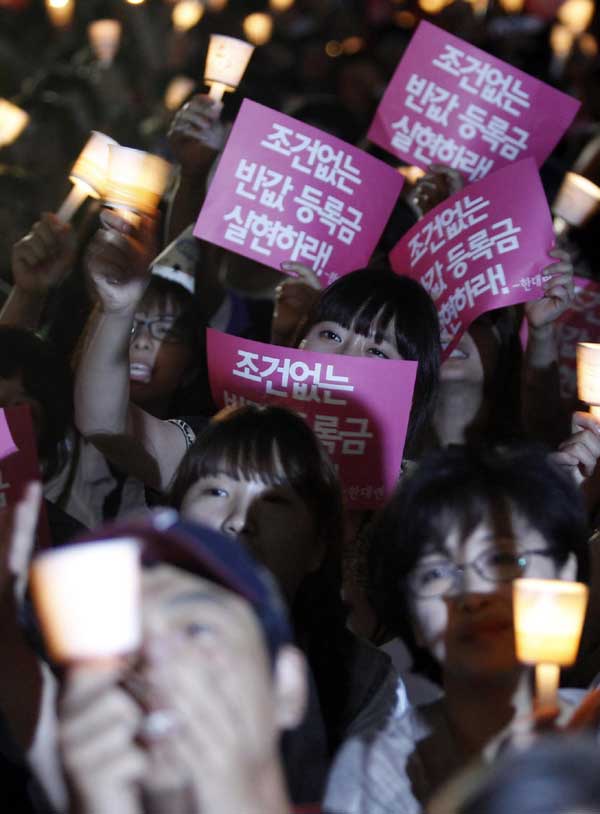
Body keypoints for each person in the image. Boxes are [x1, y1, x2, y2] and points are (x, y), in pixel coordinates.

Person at [324, 445, 591, 814]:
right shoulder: (374, 769)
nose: (472, 594)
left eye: (502, 558)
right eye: (436, 573)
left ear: (565, 575)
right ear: (411, 616)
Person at [168, 404, 398, 798]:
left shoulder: (361, 681)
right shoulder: (105, 644)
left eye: (274, 500)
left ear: (317, 547)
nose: (239, 520)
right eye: (217, 491)